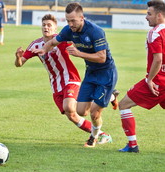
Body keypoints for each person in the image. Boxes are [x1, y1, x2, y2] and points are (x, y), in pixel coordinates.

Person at [15, 14, 115, 145]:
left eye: (49, 25)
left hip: (70, 79)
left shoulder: (61, 39)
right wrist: (18, 57)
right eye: (44, 25)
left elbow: (79, 43)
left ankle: (106, 97)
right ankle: (102, 134)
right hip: (56, 85)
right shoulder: (36, 44)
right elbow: (19, 63)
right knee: (71, 115)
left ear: (55, 27)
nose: (46, 27)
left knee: (71, 107)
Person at [118, 0, 165, 153]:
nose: (146, 17)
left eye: (149, 14)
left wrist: (149, 80)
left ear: (159, 15)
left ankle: (132, 145)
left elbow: (157, 59)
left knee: (124, 104)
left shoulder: (155, 32)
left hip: (158, 81)